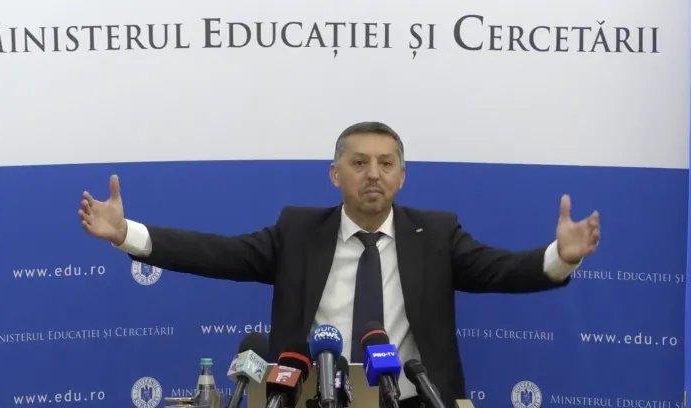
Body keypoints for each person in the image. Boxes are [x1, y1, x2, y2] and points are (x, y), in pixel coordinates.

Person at [78, 121, 600, 408]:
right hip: (312, 399)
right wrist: (128, 234)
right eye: (359, 163)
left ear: (402, 176)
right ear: (335, 174)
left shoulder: (435, 234)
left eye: (386, 164)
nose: (373, 174)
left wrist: (560, 256)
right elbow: (219, 253)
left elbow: (499, 270)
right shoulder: (299, 231)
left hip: (412, 402)